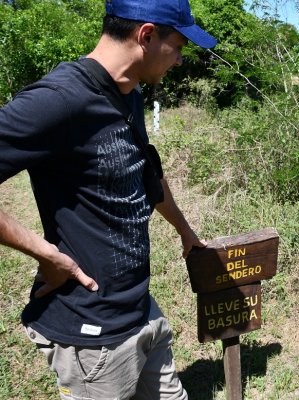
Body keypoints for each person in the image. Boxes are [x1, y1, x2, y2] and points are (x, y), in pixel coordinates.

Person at [0, 0, 217, 398]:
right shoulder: (59, 100)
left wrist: (185, 230)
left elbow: (146, 173)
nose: (182, 60)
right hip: (92, 335)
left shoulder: (128, 93)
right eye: (180, 46)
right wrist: (47, 255)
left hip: (140, 309)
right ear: (147, 36)